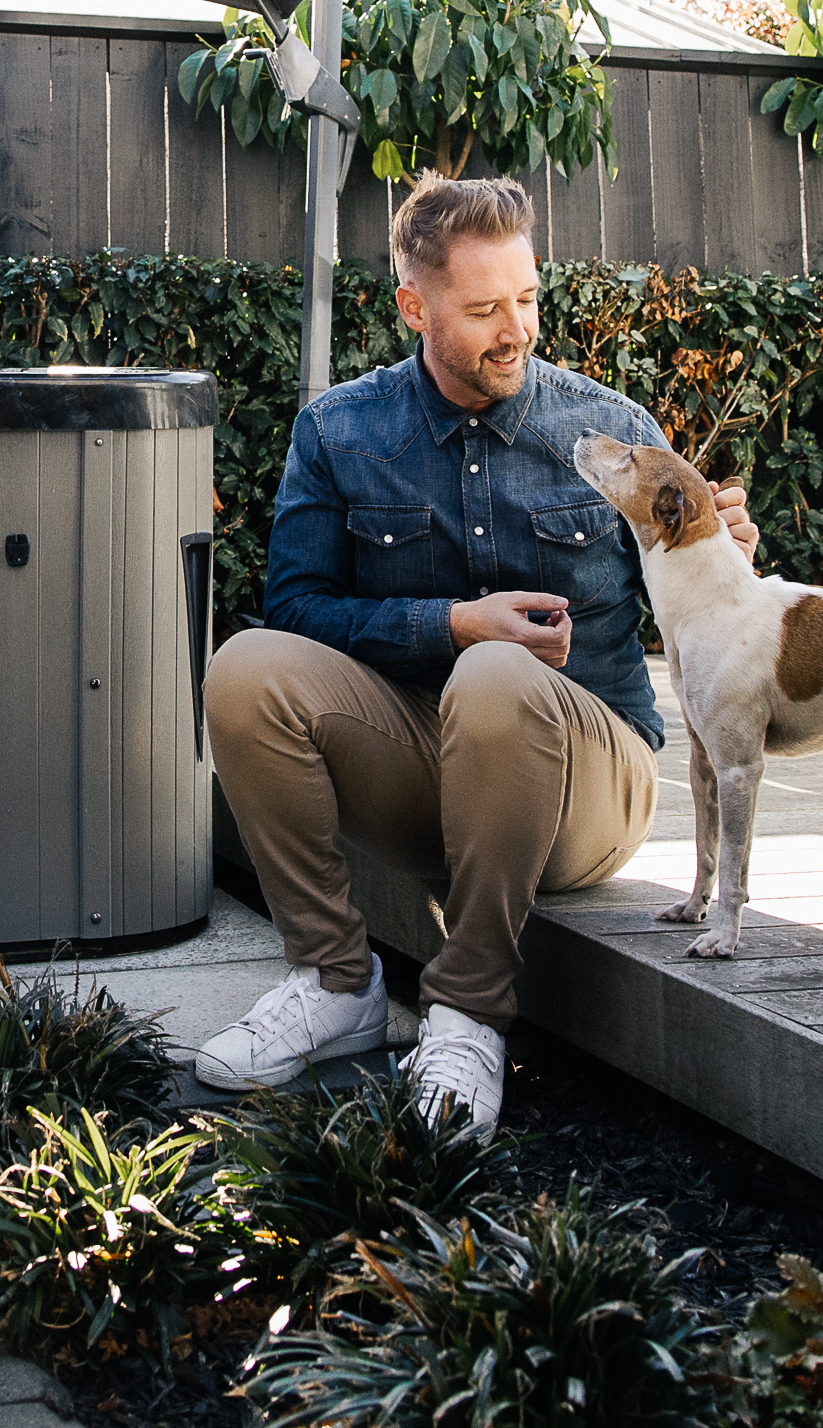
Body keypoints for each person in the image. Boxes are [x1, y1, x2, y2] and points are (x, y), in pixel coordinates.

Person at [195, 174, 752, 1139]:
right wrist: (452, 624)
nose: (518, 329)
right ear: (414, 306)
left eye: (528, 299)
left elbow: (709, 607)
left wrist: (724, 556)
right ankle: (335, 983)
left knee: (502, 678)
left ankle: (466, 1013)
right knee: (244, 669)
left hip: (594, 776)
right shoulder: (340, 431)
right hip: (424, 765)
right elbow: (293, 608)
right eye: (486, 308)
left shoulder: (611, 435)